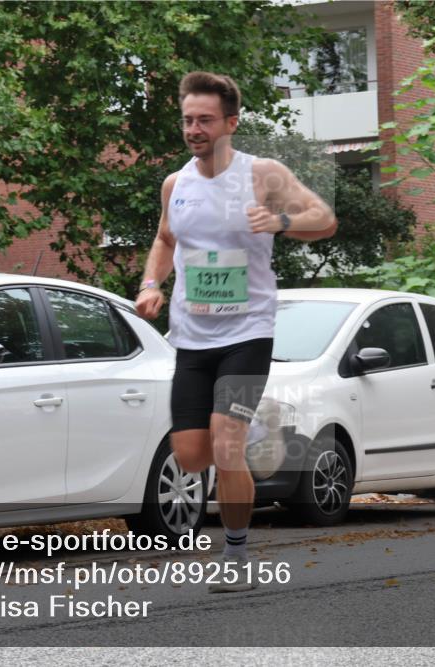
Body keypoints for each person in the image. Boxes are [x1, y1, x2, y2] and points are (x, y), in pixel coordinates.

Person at [135, 71, 337, 593]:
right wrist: (152, 282)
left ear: (230, 122)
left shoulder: (262, 175)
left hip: (248, 333)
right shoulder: (175, 185)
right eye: (187, 120)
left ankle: (237, 555)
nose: (194, 129)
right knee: (190, 455)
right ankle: (253, 437)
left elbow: (324, 217)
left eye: (204, 120)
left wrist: (282, 224)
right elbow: (163, 240)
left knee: (226, 446)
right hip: (192, 337)